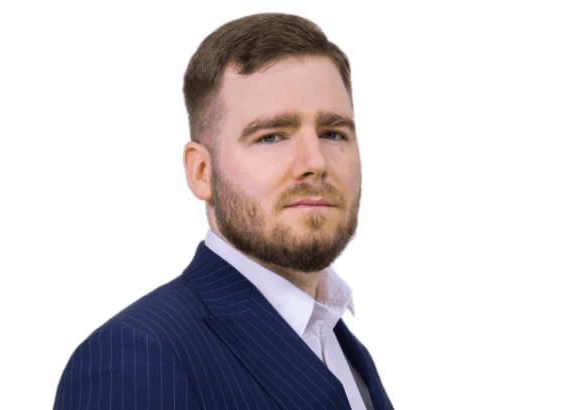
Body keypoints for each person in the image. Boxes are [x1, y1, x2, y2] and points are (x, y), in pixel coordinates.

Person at [52, 11, 395, 410]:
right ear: (201, 172)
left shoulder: (347, 349)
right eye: (271, 137)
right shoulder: (134, 356)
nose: (315, 162)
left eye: (333, 133)